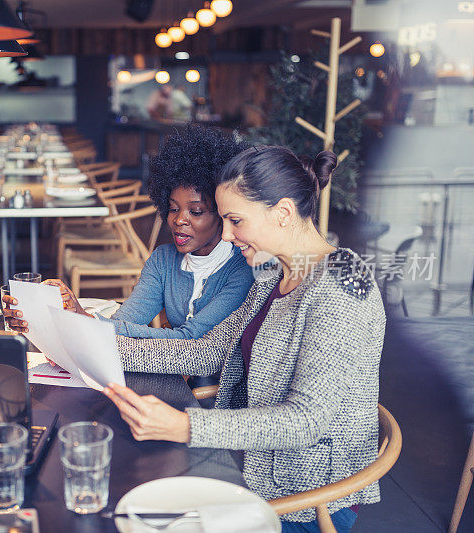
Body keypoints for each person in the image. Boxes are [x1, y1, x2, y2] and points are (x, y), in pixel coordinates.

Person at [102, 147, 385, 533]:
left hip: (305, 498)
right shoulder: (273, 276)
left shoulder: (340, 286)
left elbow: (306, 421)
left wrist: (185, 427)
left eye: (235, 220)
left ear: (283, 213)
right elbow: (204, 354)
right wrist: (99, 344)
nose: (228, 234)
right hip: (249, 468)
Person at [5, 125, 254, 340]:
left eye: (196, 211)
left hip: (214, 391)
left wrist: (88, 321)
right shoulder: (163, 260)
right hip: (169, 373)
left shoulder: (241, 270)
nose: (179, 220)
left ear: (222, 212)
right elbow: (127, 321)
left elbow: (190, 338)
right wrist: (50, 314)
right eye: (173, 208)